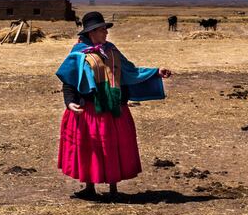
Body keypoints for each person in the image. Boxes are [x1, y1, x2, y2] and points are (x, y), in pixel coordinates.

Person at [55, 11, 171, 200]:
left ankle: (113, 189)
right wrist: (69, 102)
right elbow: (69, 81)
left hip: (113, 109)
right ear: (92, 32)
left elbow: (130, 72)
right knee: (89, 149)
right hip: (89, 110)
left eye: (105, 29)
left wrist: (155, 72)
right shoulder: (78, 54)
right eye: (102, 29)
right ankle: (89, 187)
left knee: (112, 148)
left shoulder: (112, 50)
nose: (106, 33)